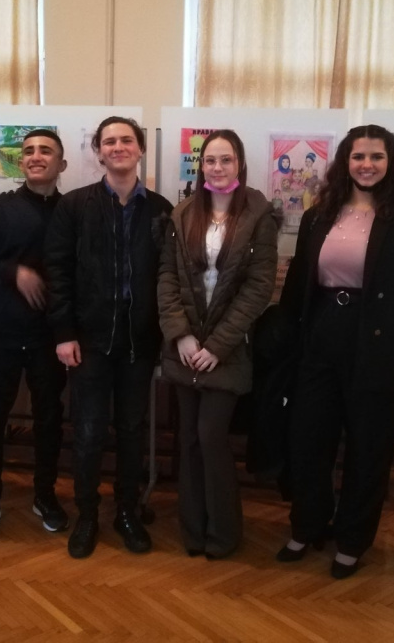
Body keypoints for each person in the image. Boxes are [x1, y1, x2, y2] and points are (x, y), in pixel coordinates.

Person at [276, 125, 394, 579]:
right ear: (345, 160)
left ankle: (352, 539)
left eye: (376, 157)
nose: (367, 165)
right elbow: (299, 283)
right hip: (321, 335)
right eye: (359, 156)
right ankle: (307, 526)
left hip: (378, 344)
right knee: (309, 441)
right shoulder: (318, 215)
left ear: (390, 163)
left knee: (368, 448)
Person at [46, 116, 172, 559]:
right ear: (98, 151)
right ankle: (87, 514)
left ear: (140, 149)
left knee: (133, 431)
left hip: (140, 342)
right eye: (110, 141)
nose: (118, 147)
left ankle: (127, 512)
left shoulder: (161, 209)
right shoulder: (74, 206)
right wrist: (64, 332)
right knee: (88, 432)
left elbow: (169, 276)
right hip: (89, 342)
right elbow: (58, 272)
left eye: (127, 140)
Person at [157, 130, 278, 559]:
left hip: (228, 349)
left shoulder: (259, 216)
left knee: (211, 436)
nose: (218, 167)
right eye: (210, 160)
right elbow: (167, 278)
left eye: (226, 160)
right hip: (186, 347)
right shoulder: (183, 213)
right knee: (188, 438)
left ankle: (224, 532)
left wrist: (217, 346)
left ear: (240, 164)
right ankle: (193, 530)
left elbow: (259, 288)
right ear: (201, 166)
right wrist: (182, 335)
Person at [0, 128, 70, 542]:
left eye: (46, 151)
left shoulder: (73, 211)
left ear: (62, 163)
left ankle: (45, 495)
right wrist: (13, 272)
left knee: (49, 420)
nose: (36, 156)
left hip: (50, 339)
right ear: (20, 162)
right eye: (28, 151)